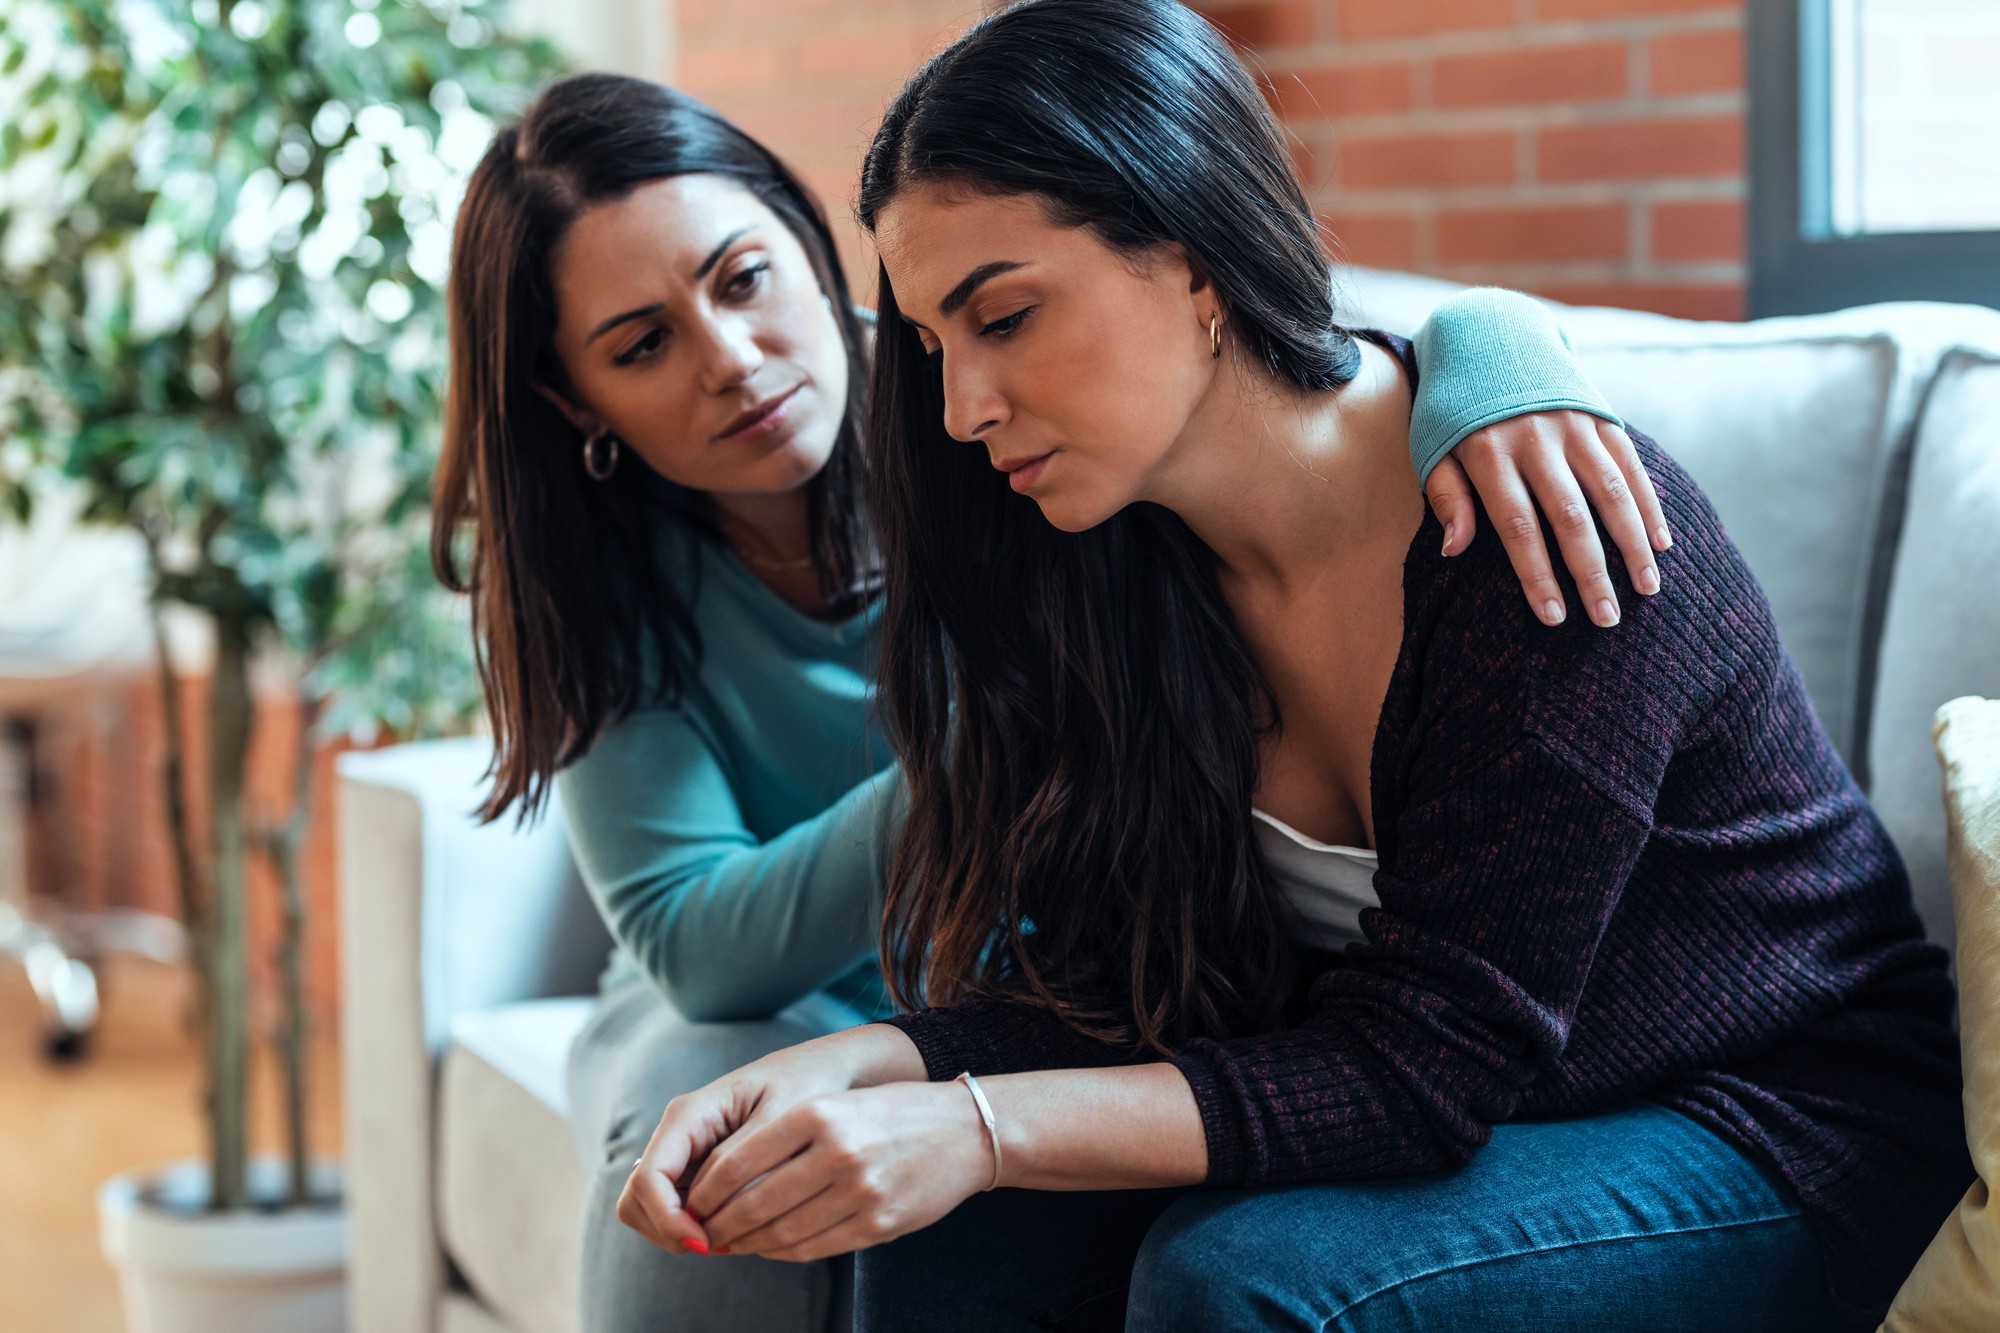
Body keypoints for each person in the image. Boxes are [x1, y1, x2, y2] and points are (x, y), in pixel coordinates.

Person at [609, 6, 1971, 1331]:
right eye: (931, 347)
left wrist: (971, 1120)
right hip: (1513, 1107)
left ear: (1196, 256)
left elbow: (1428, 1066)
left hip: (1775, 1124)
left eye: (1005, 316)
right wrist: (871, 1062)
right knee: (958, 1226)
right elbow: (1130, 1001)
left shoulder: (1532, 530)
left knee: (1242, 1273)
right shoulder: (1120, 566)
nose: (964, 407)